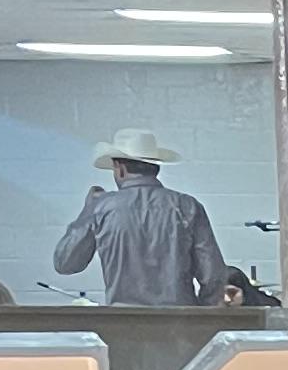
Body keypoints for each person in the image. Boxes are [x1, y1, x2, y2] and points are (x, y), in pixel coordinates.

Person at [53, 129, 227, 304]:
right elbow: (214, 275)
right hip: (179, 317)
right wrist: (202, 312)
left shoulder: (102, 207)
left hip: (124, 318)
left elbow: (65, 263)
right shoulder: (187, 206)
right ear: (155, 168)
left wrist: (87, 211)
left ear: (120, 169)